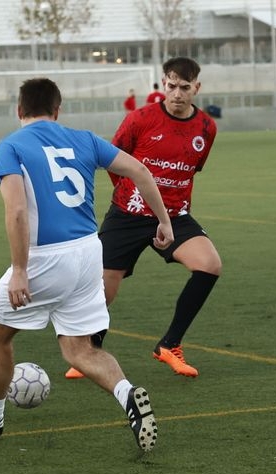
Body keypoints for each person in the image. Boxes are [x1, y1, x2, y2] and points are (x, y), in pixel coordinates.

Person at [0, 78, 173, 452]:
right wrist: (163, 221)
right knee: (78, 349)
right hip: (88, 253)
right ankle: (127, 393)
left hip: (46, 258)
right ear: (58, 109)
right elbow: (141, 172)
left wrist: (20, 270)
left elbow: (17, 210)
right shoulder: (85, 139)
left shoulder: (10, 146)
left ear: (19, 110)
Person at [64, 57, 219, 380]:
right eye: (172, 86)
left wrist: (168, 210)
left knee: (209, 265)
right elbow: (113, 161)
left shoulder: (206, 127)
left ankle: (170, 345)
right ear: (163, 84)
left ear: (197, 88)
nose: (177, 94)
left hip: (175, 216)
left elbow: (192, 169)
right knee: (104, 290)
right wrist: (130, 194)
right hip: (128, 213)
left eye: (185, 87)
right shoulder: (140, 118)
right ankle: (90, 351)